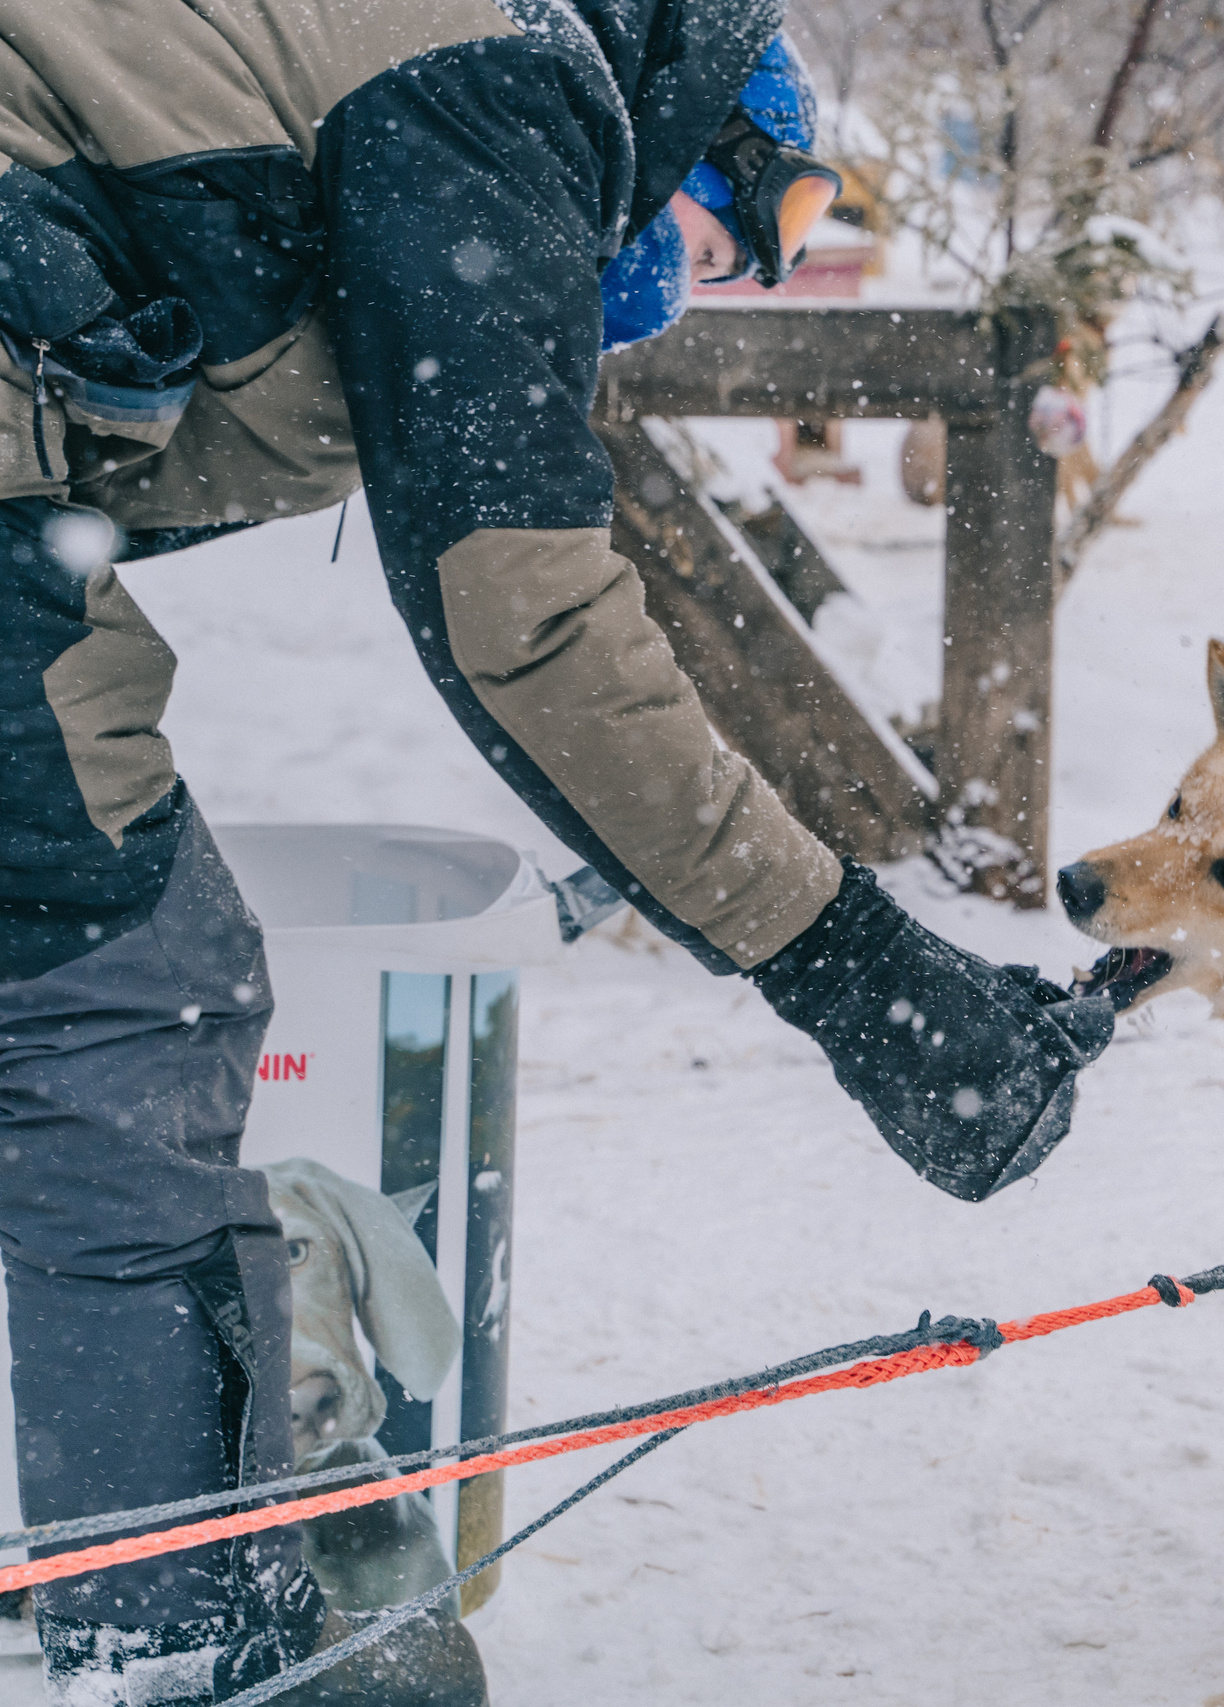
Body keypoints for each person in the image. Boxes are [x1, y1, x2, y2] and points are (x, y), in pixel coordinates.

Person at [0, 3, 1116, 1702]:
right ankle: (178, 1659)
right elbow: (523, 618)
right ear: (696, 120)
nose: (728, 272)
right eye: (759, 214)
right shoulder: (511, 84)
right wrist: (860, 971)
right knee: (128, 991)